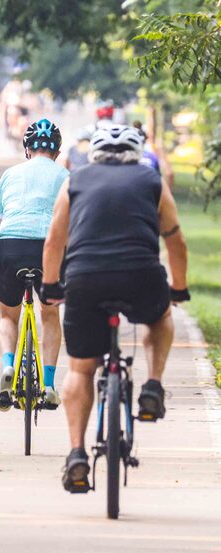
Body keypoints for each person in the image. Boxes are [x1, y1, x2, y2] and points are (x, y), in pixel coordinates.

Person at [41, 124, 189, 492]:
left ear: (95, 153)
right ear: (137, 153)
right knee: (160, 317)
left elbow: (55, 239)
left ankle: (77, 454)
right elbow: (176, 240)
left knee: (80, 369)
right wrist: (179, 288)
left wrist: (50, 285)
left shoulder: (75, 180)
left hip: (85, 278)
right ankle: (153, 386)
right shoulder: (151, 180)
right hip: (140, 275)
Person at [0, 119, 67, 411]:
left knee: (8, 317)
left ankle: (9, 366)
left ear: (27, 149)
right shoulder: (65, 176)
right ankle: (48, 386)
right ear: (57, 151)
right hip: (48, 248)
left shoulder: (10, 175)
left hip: (10, 245)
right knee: (49, 314)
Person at [133, 121, 175, 190]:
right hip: (153, 189)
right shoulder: (156, 149)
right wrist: (167, 193)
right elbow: (169, 173)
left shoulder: (131, 150)